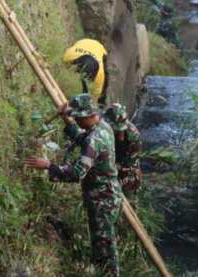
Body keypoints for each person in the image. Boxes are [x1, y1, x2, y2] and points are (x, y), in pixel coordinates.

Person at [24, 94, 123, 276]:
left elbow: (77, 173)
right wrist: (68, 121)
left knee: (106, 249)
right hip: (105, 195)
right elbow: (82, 138)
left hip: (104, 200)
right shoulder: (102, 126)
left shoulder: (95, 139)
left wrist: (49, 166)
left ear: (88, 116)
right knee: (101, 243)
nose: (76, 121)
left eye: (78, 118)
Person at [104, 103, 142, 196]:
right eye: (116, 130)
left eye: (122, 129)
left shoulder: (133, 135)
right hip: (110, 159)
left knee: (129, 187)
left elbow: (129, 163)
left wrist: (113, 166)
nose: (120, 134)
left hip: (126, 168)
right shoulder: (102, 127)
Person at [62, 38, 109, 106]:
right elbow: (64, 68)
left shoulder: (100, 75)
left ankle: (102, 103)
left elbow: (94, 96)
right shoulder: (69, 56)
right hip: (82, 42)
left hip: (99, 48)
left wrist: (92, 103)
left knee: (105, 81)